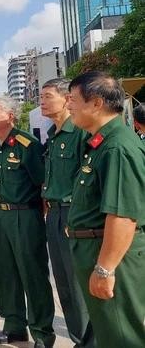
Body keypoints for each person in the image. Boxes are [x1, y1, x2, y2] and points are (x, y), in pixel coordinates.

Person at [66, 71, 145, 346]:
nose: (68, 105)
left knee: (122, 336)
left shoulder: (117, 147)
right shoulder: (100, 143)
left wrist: (105, 269)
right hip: (96, 251)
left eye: (73, 99)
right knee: (108, 332)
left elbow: (124, 215)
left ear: (96, 103)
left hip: (113, 257)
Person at [0, 96, 55, 347]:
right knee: (5, 272)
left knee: (32, 273)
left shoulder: (27, 144)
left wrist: (40, 214)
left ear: (10, 116)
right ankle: (13, 326)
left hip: (25, 214)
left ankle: (42, 333)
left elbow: (42, 183)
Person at [39, 78, 93, 347]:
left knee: (78, 285)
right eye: (41, 96)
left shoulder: (81, 133)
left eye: (48, 95)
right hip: (55, 215)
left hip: (75, 215)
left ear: (66, 99)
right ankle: (77, 339)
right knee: (64, 285)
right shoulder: (52, 135)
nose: (42, 101)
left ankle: (88, 341)